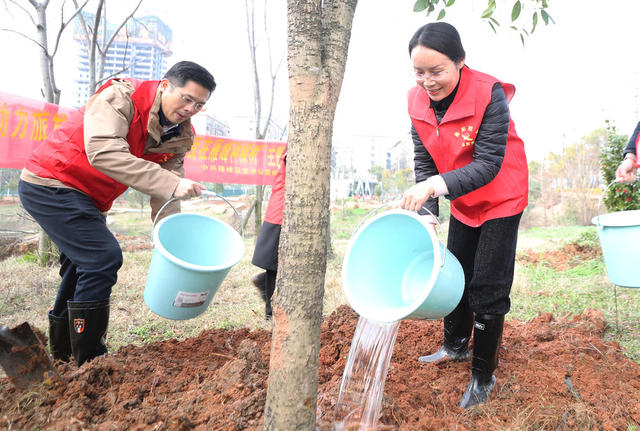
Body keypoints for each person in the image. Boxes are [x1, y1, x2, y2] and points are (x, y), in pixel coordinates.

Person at [18, 61, 216, 367]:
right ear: (165, 86)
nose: (191, 109)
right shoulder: (121, 98)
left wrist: (171, 242)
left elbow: (166, 192)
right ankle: (90, 359)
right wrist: (172, 182)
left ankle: (64, 352)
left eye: (199, 105)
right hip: (52, 182)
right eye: (187, 98)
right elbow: (103, 151)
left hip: (88, 198)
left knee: (81, 267)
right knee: (102, 258)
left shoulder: (178, 135)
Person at [400, 22, 528, 409]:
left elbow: (489, 163)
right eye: (419, 72)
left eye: (436, 71)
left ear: (460, 61)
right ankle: (453, 346)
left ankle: (482, 375)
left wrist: (434, 186)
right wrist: (427, 211)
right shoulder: (416, 101)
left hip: (501, 197)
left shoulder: (488, 95)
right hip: (462, 198)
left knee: (487, 285)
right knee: (454, 272)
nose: (427, 81)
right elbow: (425, 159)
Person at [251, 150, 286, 320]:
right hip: (281, 215)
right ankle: (270, 313)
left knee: (277, 267)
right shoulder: (293, 154)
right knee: (274, 267)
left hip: (281, 213)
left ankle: (263, 283)